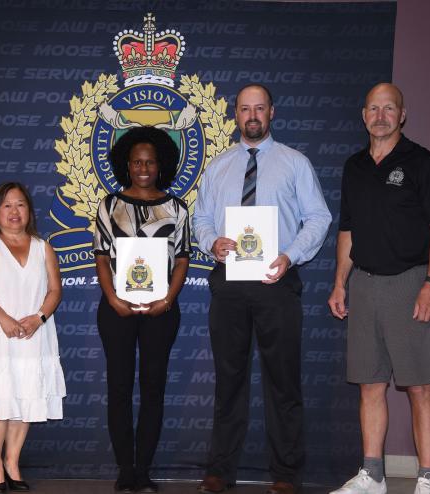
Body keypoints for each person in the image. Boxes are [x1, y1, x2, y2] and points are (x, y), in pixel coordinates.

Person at [192, 84, 332, 494]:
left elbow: (319, 217)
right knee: (228, 380)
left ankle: (286, 474)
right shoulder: (217, 167)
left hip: (277, 282)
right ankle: (220, 470)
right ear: (235, 114)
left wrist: (290, 255)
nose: (252, 115)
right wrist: (211, 242)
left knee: (283, 382)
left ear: (272, 112)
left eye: (259, 108)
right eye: (244, 109)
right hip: (229, 286)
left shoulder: (295, 163)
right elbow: (200, 219)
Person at [327, 83, 430, 494]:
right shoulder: (354, 167)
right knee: (370, 384)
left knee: (420, 386)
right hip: (363, 284)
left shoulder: (422, 163)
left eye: (389, 108)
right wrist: (339, 284)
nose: (380, 116)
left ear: (402, 115)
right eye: (373, 109)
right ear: (364, 116)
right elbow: (347, 231)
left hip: (410, 284)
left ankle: (426, 480)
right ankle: (373, 475)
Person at [93, 126, 191, 493]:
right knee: (119, 388)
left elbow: (182, 260)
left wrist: (167, 300)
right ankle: (124, 469)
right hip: (115, 309)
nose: (144, 168)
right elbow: (102, 258)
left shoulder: (177, 207)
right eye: (136, 162)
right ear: (127, 165)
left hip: (160, 310)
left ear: (160, 164)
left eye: (150, 162)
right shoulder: (110, 204)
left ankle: (144, 469)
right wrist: (114, 299)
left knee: (153, 389)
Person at [0, 182, 65, 493]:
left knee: (27, 396)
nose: (14, 211)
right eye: (6, 205)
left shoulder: (43, 247)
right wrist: (5, 320)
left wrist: (39, 318)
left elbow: (55, 290)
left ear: (29, 211)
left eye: (20, 204)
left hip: (35, 334)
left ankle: (12, 462)